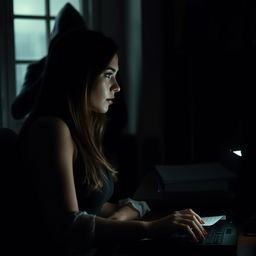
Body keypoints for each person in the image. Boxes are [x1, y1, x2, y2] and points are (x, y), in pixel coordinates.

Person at [17, 27, 207, 256]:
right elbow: (67, 224)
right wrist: (149, 227)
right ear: (80, 75)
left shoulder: (79, 129)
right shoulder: (51, 129)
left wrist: (127, 211)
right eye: (108, 75)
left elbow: (92, 205)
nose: (117, 86)